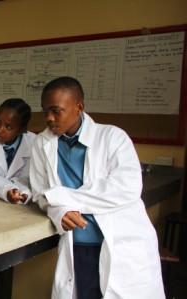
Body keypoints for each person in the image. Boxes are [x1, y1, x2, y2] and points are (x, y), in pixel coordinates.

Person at [30, 76, 164, 299]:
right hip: (79, 247)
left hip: (121, 246)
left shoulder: (113, 138)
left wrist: (61, 197)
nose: (49, 118)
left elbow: (126, 189)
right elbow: (40, 193)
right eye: (45, 111)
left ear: (79, 107)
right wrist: (58, 210)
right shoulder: (41, 143)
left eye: (56, 111)